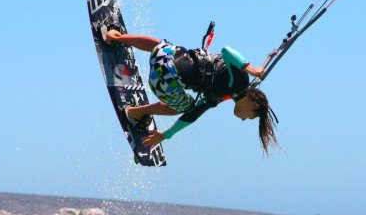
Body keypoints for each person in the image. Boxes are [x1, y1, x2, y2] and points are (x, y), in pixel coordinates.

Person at [104, 28, 279, 154]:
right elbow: (227, 50)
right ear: (253, 105)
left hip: (165, 56)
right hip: (162, 80)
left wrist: (165, 135)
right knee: (184, 106)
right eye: (250, 117)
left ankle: (116, 37)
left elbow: (193, 116)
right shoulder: (241, 81)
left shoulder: (224, 93)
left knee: (160, 45)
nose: (243, 119)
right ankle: (135, 112)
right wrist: (250, 68)